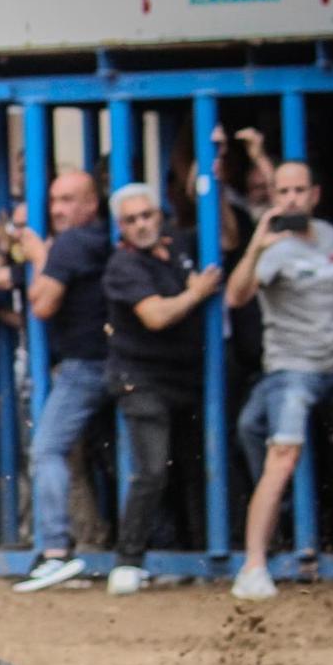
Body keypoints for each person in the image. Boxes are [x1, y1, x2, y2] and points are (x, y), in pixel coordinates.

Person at [226, 161, 333, 601]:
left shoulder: (330, 236)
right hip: (290, 368)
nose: (290, 199)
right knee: (283, 458)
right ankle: (253, 565)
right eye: (282, 191)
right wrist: (257, 243)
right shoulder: (272, 248)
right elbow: (236, 296)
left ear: (314, 194)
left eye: (298, 190)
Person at [100, 182, 223, 596]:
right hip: (141, 379)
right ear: (120, 227)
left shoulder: (177, 249)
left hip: (184, 378)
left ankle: (198, 553)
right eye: (131, 220)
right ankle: (128, 560)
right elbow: (155, 316)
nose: (141, 225)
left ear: (161, 215)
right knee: (151, 471)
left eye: (147, 215)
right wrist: (196, 292)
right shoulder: (123, 265)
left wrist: (213, 177)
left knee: (192, 468)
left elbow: (228, 238)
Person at [13, 171, 114, 592]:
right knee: (114, 459)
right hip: (117, 362)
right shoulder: (98, 241)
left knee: (47, 449)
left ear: (92, 204)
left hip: (84, 366)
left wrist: (38, 255)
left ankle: (55, 551)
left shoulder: (71, 243)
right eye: (54, 199)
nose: (57, 209)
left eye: (69, 199)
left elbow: (43, 304)